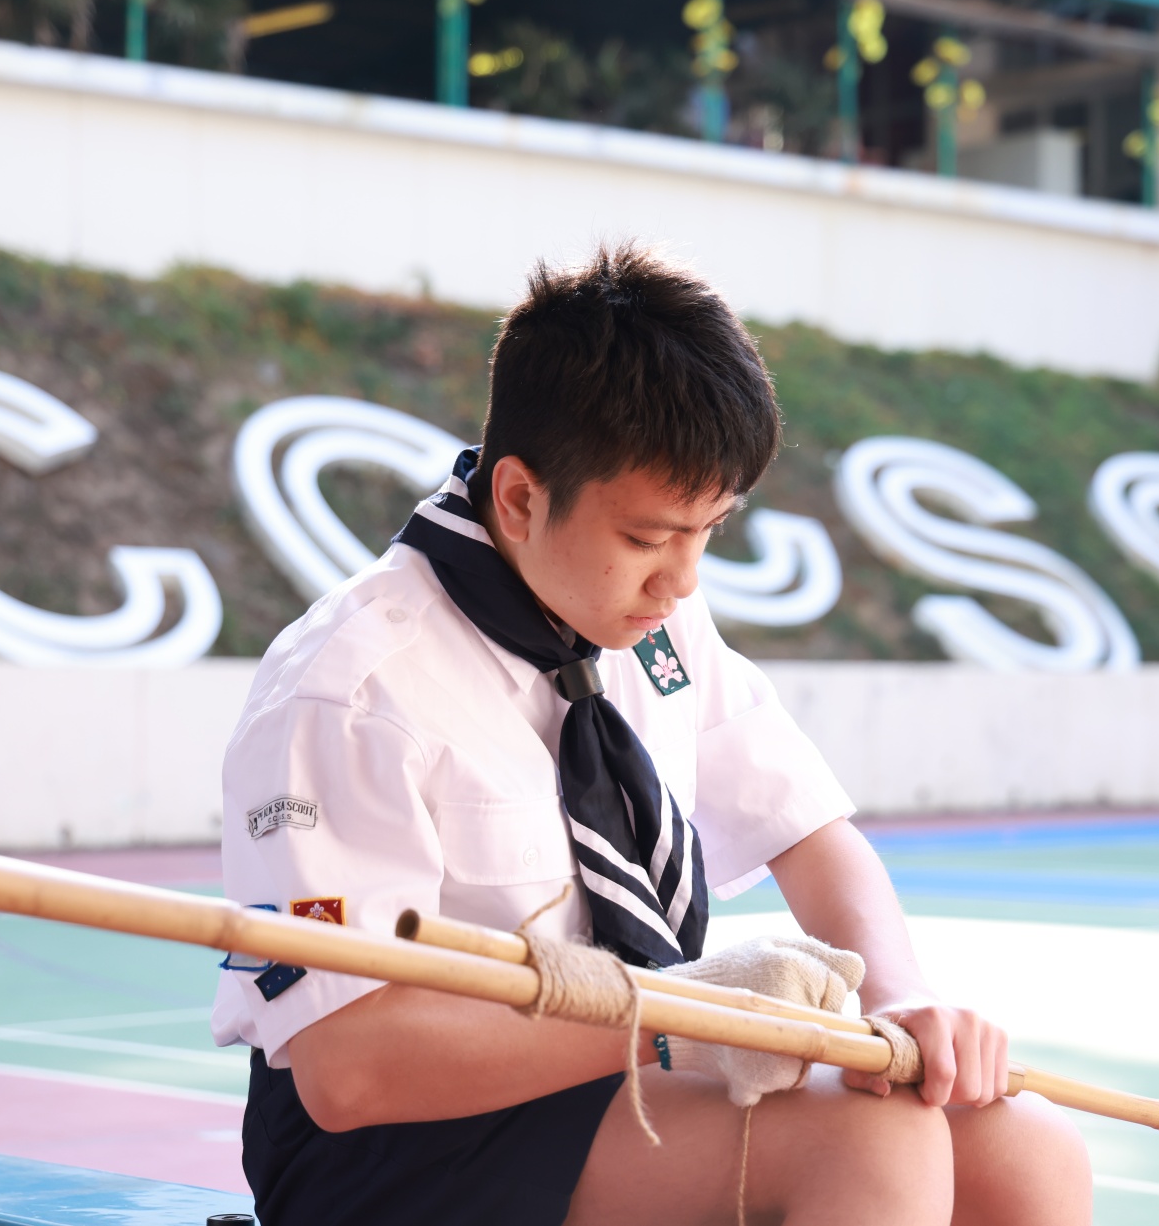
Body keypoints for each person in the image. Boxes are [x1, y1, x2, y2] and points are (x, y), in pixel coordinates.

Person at [210, 245, 1092, 1226]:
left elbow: (808, 829)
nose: (682, 580)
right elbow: (349, 1067)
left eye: (708, 531)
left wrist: (896, 1003)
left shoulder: (650, 619)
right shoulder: (349, 688)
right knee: (869, 1141)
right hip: (395, 1144)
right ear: (519, 498)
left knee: (1025, 1148)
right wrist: (678, 1012)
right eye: (647, 537)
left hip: (614, 1072)